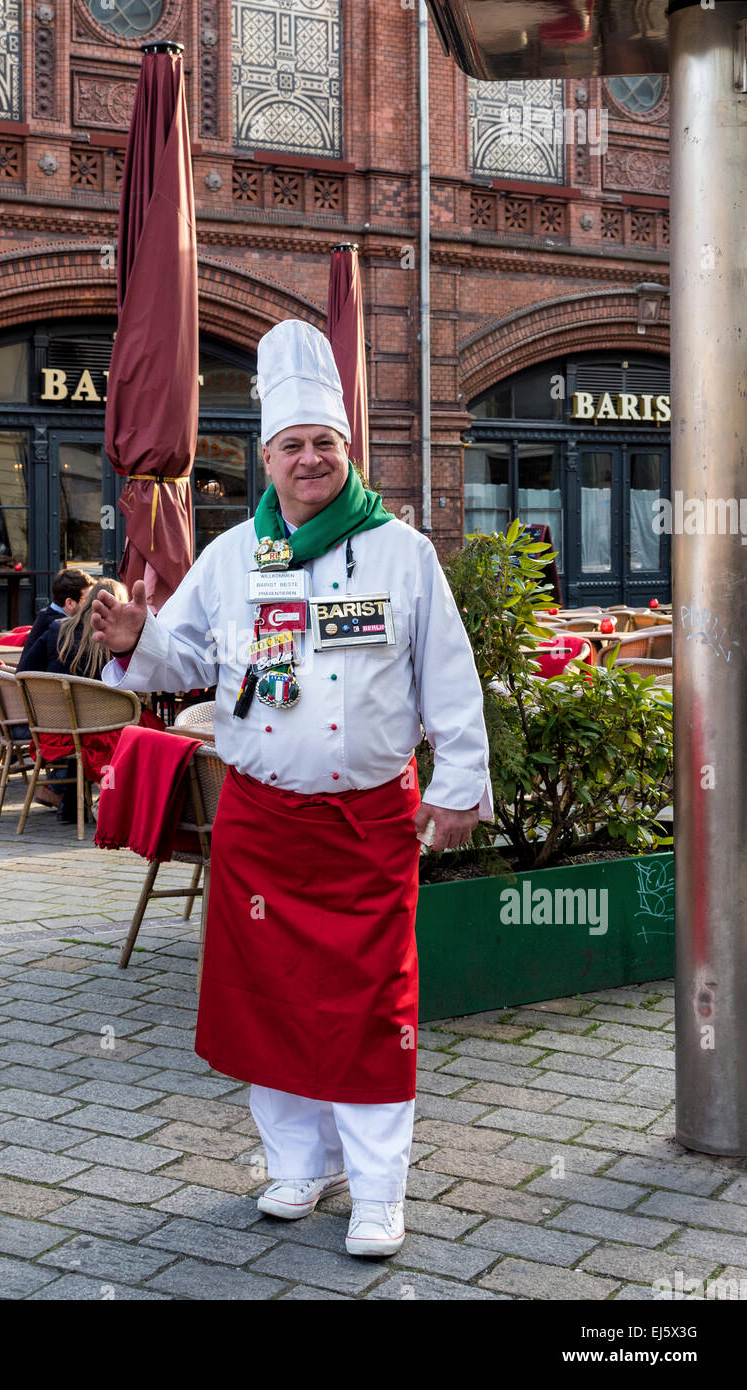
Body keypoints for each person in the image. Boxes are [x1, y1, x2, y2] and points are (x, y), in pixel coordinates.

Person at [92, 318, 491, 1259]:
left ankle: (379, 1191)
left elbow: (450, 679)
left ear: (345, 453)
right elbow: (178, 656)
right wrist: (127, 641)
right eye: (291, 447)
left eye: (323, 445)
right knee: (264, 1002)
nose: (308, 460)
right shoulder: (233, 558)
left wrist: (460, 783)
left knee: (369, 1011)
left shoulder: (401, 554)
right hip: (262, 821)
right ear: (265, 459)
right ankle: (296, 1166)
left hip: (367, 824)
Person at [21, 578, 128, 821]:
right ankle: (117, 801)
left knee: (84, 722)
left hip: (54, 729)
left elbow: (24, 673)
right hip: (102, 729)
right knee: (148, 726)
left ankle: (69, 802)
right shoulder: (118, 638)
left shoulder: (57, 629)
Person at [16, 569, 93, 674]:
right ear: (70, 603)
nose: (92, 605)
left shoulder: (45, 616)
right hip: (42, 687)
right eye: (87, 600)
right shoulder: (59, 628)